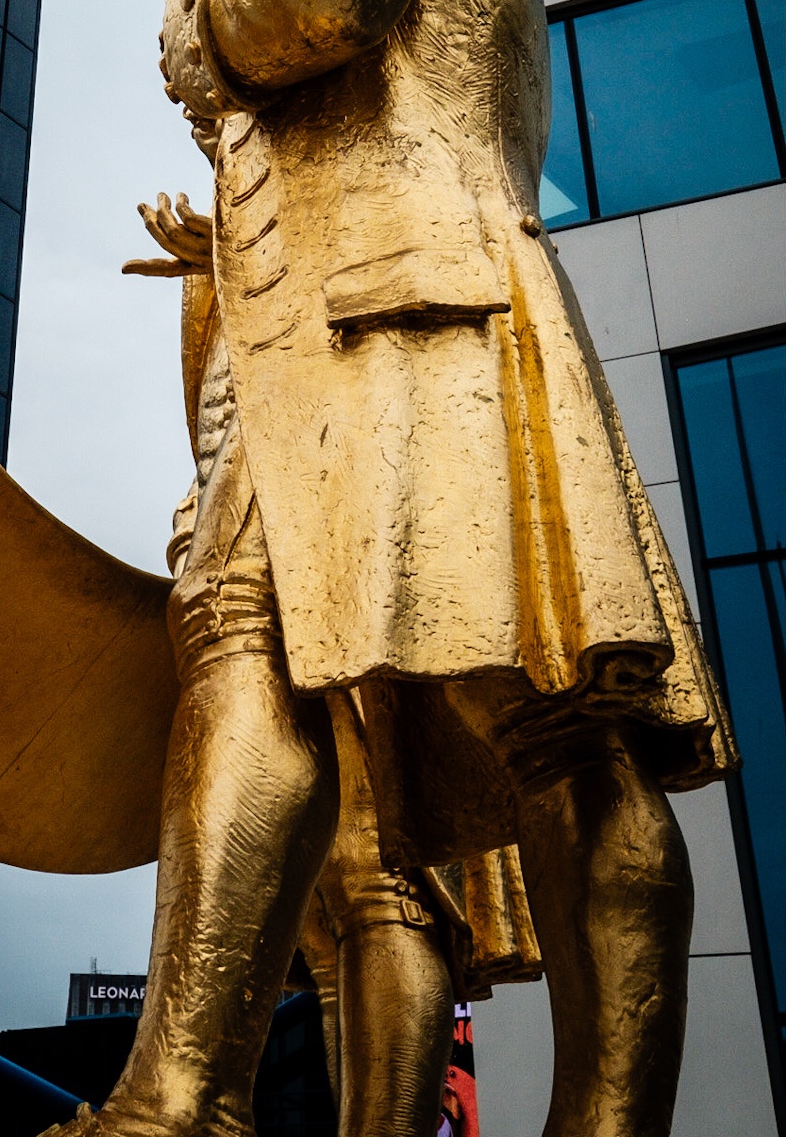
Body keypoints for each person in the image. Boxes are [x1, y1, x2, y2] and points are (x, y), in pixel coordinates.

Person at [56, 0, 732, 1137]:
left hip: (421, 315)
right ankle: (176, 1097)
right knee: (235, 631)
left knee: (554, 717)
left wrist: (195, 7)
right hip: (323, 348)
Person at [126, 185, 540, 1137]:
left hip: (363, 506)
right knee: (317, 906)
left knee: (383, 873)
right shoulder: (240, 219)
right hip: (265, 509)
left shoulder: (344, 175)